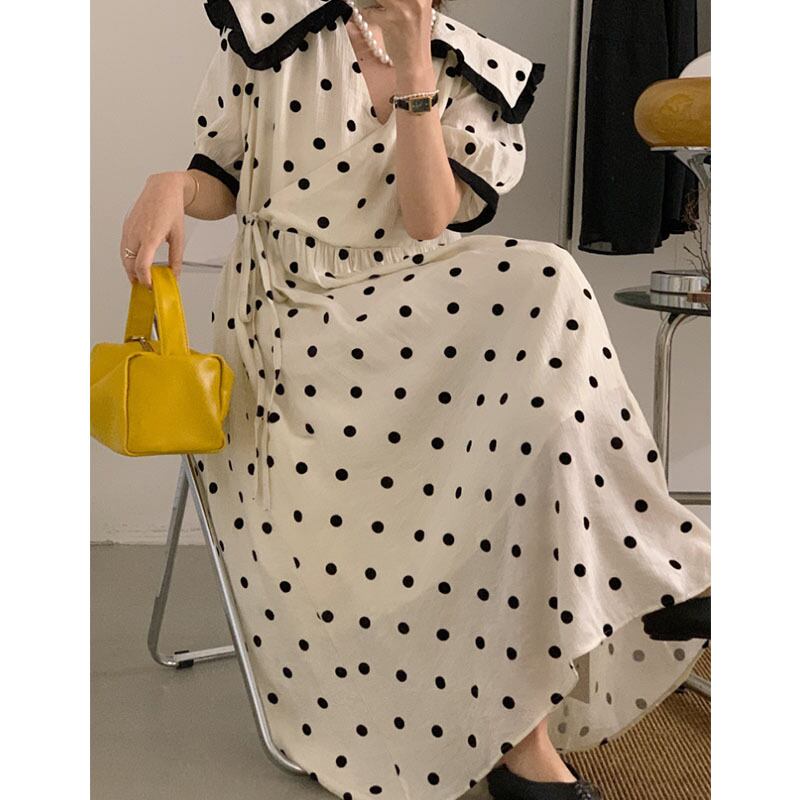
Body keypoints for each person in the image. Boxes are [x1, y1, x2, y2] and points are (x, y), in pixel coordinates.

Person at [119, 2, 711, 799]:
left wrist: (413, 62)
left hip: (409, 302)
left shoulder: (472, 70)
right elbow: (220, 180)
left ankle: (531, 733)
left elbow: (428, 219)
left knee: (544, 285)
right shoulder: (270, 31)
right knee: (520, 387)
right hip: (291, 322)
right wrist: (171, 184)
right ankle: (648, 582)